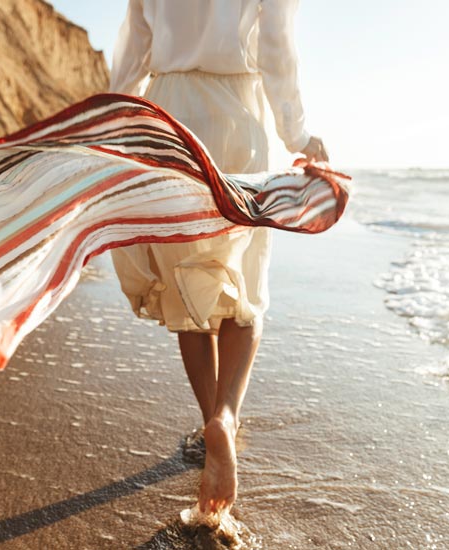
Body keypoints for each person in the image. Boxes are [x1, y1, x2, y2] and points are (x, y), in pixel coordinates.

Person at [109, 0, 328, 518]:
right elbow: (277, 48)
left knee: (188, 287)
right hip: (238, 112)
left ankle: (208, 417)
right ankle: (226, 419)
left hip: (169, 117)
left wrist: (116, 120)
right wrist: (298, 135)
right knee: (243, 289)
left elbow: (133, 51)